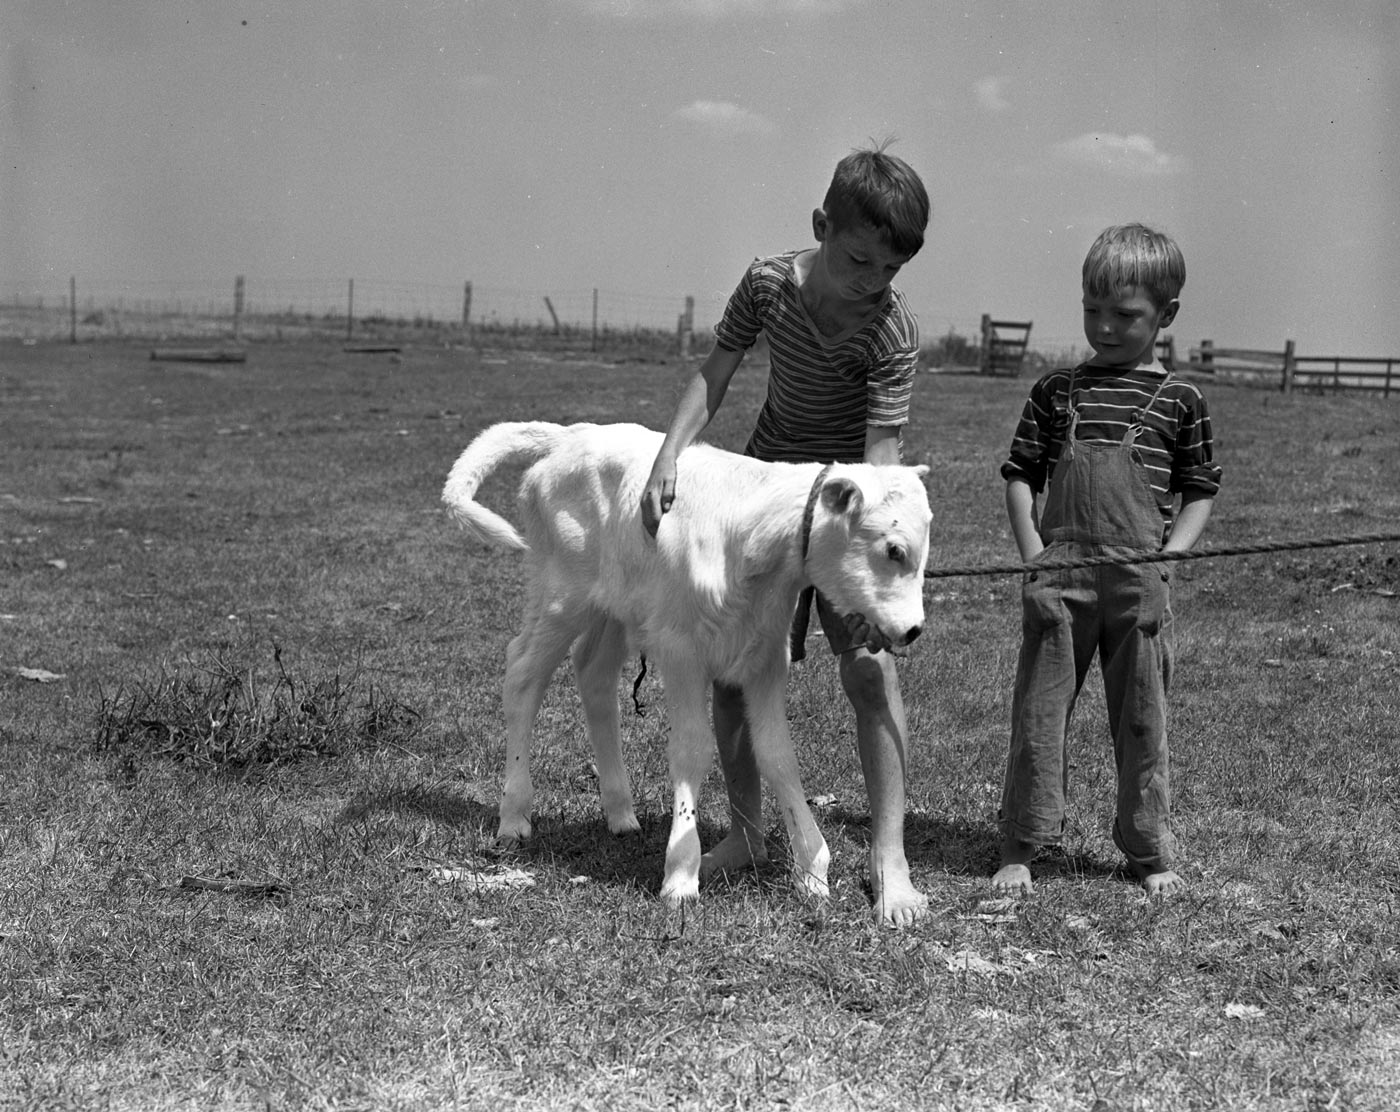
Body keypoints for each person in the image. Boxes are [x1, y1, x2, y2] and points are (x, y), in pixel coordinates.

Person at [640, 142, 932, 926]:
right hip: (766, 490)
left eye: (889, 271)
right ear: (820, 226)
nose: (872, 282)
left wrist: (872, 561)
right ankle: (747, 833)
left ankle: (889, 858)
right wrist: (670, 451)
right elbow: (717, 370)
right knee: (735, 672)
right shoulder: (770, 284)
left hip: (843, 509)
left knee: (870, 671)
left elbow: (878, 461)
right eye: (859, 260)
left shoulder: (892, 332)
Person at [992, 223, 1222, 898]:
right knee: (1039, 715)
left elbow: (1200, 490)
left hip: (1138, 581)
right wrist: (1034, 554)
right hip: (1059, 578)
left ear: (1165, 316)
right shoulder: (1057, 389)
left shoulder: (1182, 401)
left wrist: (1171, 557)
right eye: (1093, 310)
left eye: (1125, 315)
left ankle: (1148, 852)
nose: (1105, 326)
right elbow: (1019, 474)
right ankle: (1021, 847)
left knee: (1143, 719)